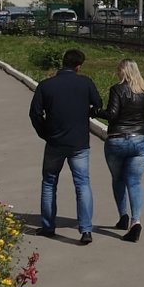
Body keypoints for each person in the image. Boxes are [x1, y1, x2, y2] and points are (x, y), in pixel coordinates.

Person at [29, 48, 103, 244]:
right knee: (82, 184)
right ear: (79, 66)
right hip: (79, 143)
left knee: (49, 182)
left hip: (54, 142)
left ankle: (48, 226)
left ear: (62, 63)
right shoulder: (85, 83)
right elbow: (98, 104)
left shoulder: (46, 85)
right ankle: (86, 230)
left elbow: (35, 114)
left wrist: (44, 133)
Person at [101, 59, 144, 242]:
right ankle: (136, 221)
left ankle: (122, 216)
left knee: (118, 179)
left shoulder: (117, 89)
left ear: (122, 72)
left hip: (117, 140)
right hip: (140, 141)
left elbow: (112, 114)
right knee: (134, 182)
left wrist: (94, 111)